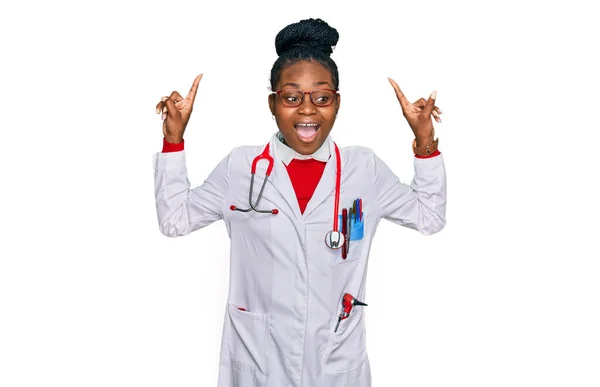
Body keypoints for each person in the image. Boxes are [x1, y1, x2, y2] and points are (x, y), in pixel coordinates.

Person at [152, 18, 446, 387]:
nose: (307, 110)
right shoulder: (241, 167)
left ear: (337, 103)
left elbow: (429, 216)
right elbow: (175, 219)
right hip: (259, 358)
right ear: (273, 104)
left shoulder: (363, 169)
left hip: (336, 361)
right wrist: (174, 140)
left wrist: (425, 143)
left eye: (321, 98)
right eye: (292, 98)